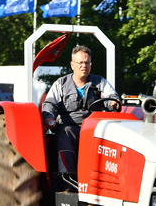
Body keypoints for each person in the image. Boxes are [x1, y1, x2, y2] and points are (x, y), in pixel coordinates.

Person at [42, 45, 120, 174]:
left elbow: (112, 97)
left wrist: (113, 103)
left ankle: (106, 175)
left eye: (87, 62)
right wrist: (49, 117)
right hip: (70, 127)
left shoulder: (100, 82)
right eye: (80, 63)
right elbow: (50, 103)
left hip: (94, 128)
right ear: (72, 65)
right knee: (65, 133)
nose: (84, 65)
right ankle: (68, 176)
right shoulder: (61, 83)